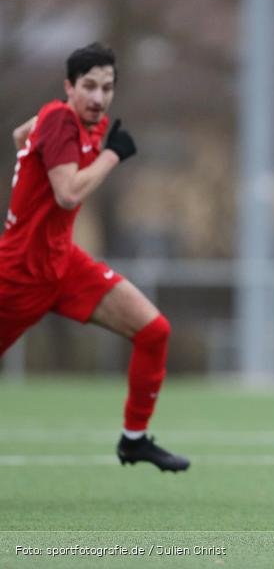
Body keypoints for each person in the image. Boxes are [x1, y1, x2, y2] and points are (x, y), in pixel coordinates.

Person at [1, 43, 189, 472]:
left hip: (63, 263)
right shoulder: (59, 119)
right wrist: (112, 154)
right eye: (88, 86)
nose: (98, 97)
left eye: (106, 87)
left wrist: (31, 159)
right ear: (68, 87)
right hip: (19, 272)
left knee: (153, 330)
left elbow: (19, 137)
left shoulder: (84, 122)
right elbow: (68, 194)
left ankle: (134, 440)